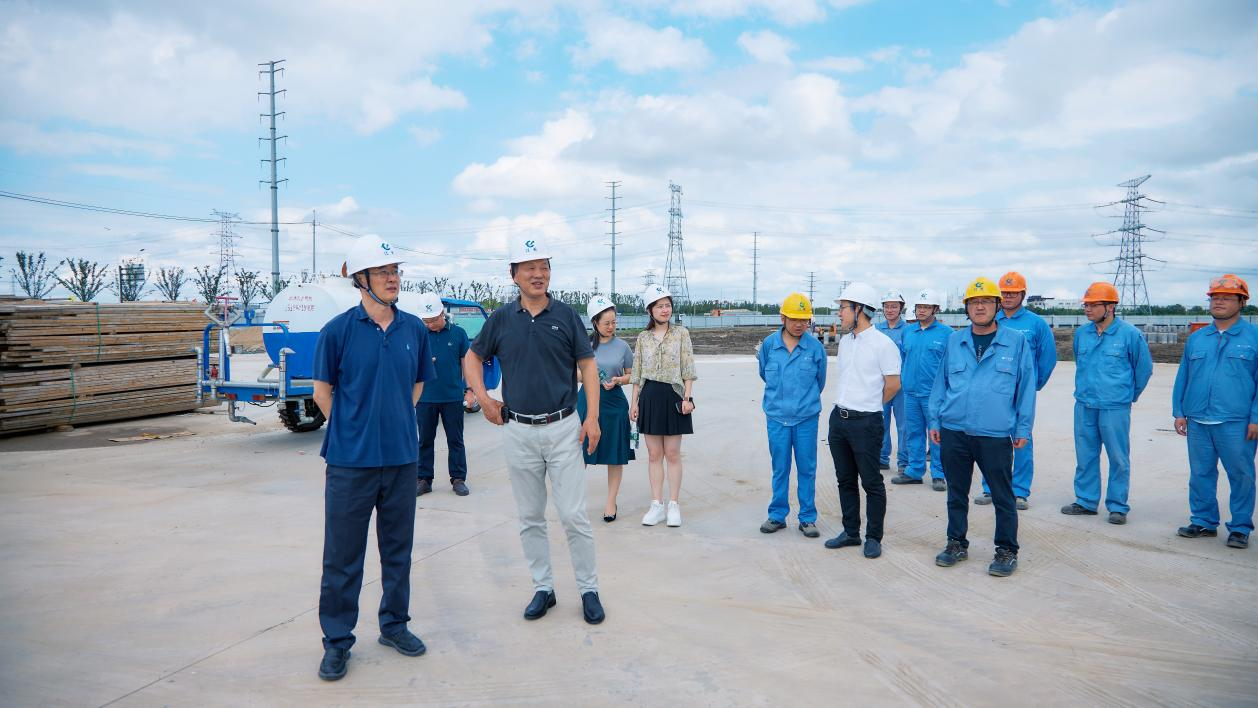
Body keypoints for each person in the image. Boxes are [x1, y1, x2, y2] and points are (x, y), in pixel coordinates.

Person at [463, 233, 606, 624]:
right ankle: (543, 588)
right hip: (518, 431)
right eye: (529, 268)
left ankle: (589, 589)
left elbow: (588, 366)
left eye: (544, 267)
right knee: (530, 516)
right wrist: (484, 398)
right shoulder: (500, 320)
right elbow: (472, 359)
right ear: (514, 274)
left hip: (563, 428)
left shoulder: (566, 316)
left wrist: (592, 416)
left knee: (574, 515)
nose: (538, 274)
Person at [312, 238, 436, 681]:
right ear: (361, 280)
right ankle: (337, 641)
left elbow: (417, 385)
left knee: (398, 551)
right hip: (350, 463)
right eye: (383, 272)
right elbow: (321, 393)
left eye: (395, 271)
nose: (392, 278)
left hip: (401, 459)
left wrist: (393, 420)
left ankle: (394, 625)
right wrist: (354, 428)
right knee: (343, 557)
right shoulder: (337, 331)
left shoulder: (414, 329)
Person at [929, 277, 1036, 577]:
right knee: (956, 493)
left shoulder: (1015, 341)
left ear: (997, 306)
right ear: (966, 308)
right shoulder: (955, 340)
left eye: (986, 301)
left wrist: (1023, 428)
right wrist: (935, 420)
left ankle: (1006, 550)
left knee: (1002, 495)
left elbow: (1026, 387)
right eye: (974, 302)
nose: (980, 307)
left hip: (995, 432)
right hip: (955, 430)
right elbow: (940, 384)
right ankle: (956, 543)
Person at [1172, 274, 1257, 550]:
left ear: (1242, 302)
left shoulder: (1254, 338)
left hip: (1237, 421)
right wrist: (1179, 411)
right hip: (1198, 419)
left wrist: (1256, 417)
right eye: (1215, 297)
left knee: (1241, 475)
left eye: (1227, 298)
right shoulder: (1197, 339)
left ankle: (1240, 527)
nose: (1219, 302)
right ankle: (1204, 521)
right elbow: (1184, 376)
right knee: (1200, 474)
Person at [1061, 282, 1153, 525]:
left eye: (1093, 305)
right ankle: (1086, 501)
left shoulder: (1130, 335)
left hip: (1114, 407)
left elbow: (1143, 369)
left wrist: (1128, 395)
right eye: (1086, 305)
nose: (1087, 309)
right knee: (1085, 456)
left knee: (1118, 458)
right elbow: (1079, 363)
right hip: (1085, 405)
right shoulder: (1082, 334)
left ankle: (1118, 506)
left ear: (1110, 307)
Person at [824, 282, 901, 559]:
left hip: (866, 422)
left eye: (843, 308)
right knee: (845, 480)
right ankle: (851, 532)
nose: (839, 313)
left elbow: (893, 384)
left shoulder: (884, 344)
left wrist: (869, 404)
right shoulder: (846, 342)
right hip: (839, 420)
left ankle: (873, 537)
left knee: (871, 482)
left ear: (859, 309)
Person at [972, 271, 1056, 510]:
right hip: (993, 393)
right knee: (989, 440)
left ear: (1023, 295)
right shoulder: (991, 319)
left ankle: (1019, 491)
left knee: (1021, 440)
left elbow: (1047, 359)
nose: (1008, 297)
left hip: (1020, 394)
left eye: (1013, 293)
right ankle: (990, 488)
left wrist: (1033, 385)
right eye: (1004, 293)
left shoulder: (1036, 324)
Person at [757, 292, 827, 538]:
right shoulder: (769, 345)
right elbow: (764, 374)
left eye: (804, 320)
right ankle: (777, 515)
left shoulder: (815, 348)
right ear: (783, 318)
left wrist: (802, 402)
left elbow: (820, 381)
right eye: (794, 319)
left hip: (806, 418)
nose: (799, 324)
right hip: (777, 417)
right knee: (780, 468)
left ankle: (807, 518)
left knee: (807, 468)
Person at [630, 284, 698, 527]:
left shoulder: (681, 333)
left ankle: (674, 505)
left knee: (672, 453)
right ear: (650, 310)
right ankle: (656, 505)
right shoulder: (643, 338)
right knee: (653, 454)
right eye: (659, 306)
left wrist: (687, 398)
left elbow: (688, 368)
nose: (665, 310)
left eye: (667, 305)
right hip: (649, 396)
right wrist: (634, 403)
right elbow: (637, 373)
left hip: (673, 396)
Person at [577, 295, 636, 523]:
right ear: (594, 322)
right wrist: (590, 377)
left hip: (614, 404)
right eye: (606, 323)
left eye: (614, 322)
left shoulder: (623, 347)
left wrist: (619, 380)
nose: (611, 327)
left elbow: (632, 375)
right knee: (579, 452)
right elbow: (574, 373)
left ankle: (611, 502)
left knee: (615, 454)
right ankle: (574, 502)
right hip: (587, 401)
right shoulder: (583, 346)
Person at [413, 292, 474, 497]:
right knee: (424, 441)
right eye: (426, 321)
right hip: (425, 398)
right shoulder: (418, 335)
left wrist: (470, 390)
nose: (429, 325)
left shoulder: (458, 334)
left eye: (433, 320)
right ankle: (424, 479)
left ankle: (458, 479)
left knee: (455, 440)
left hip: (452, 397)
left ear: (442, 314)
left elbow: (467, 364)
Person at [891, 289, 952, 491]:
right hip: (910, 393)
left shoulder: (947, 334)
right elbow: (903, 359)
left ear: (935, 309)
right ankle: (914, 471)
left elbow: (952, 365)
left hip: (934, 396)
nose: (922, 311)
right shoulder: (908, 332)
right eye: (919, 307)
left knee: (937, 435)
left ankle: (939, 474)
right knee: (913, 434)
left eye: (926, 307)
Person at [876, 289, 910, 473]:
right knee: (881, 422)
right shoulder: (876, 329)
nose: (890, 310)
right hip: (881, 384)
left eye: (894, 306)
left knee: (904, 425)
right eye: (887, 306)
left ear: (901, 308)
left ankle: (904, 461)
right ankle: (882, 457)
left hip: (901, 385)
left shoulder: (908, 330)